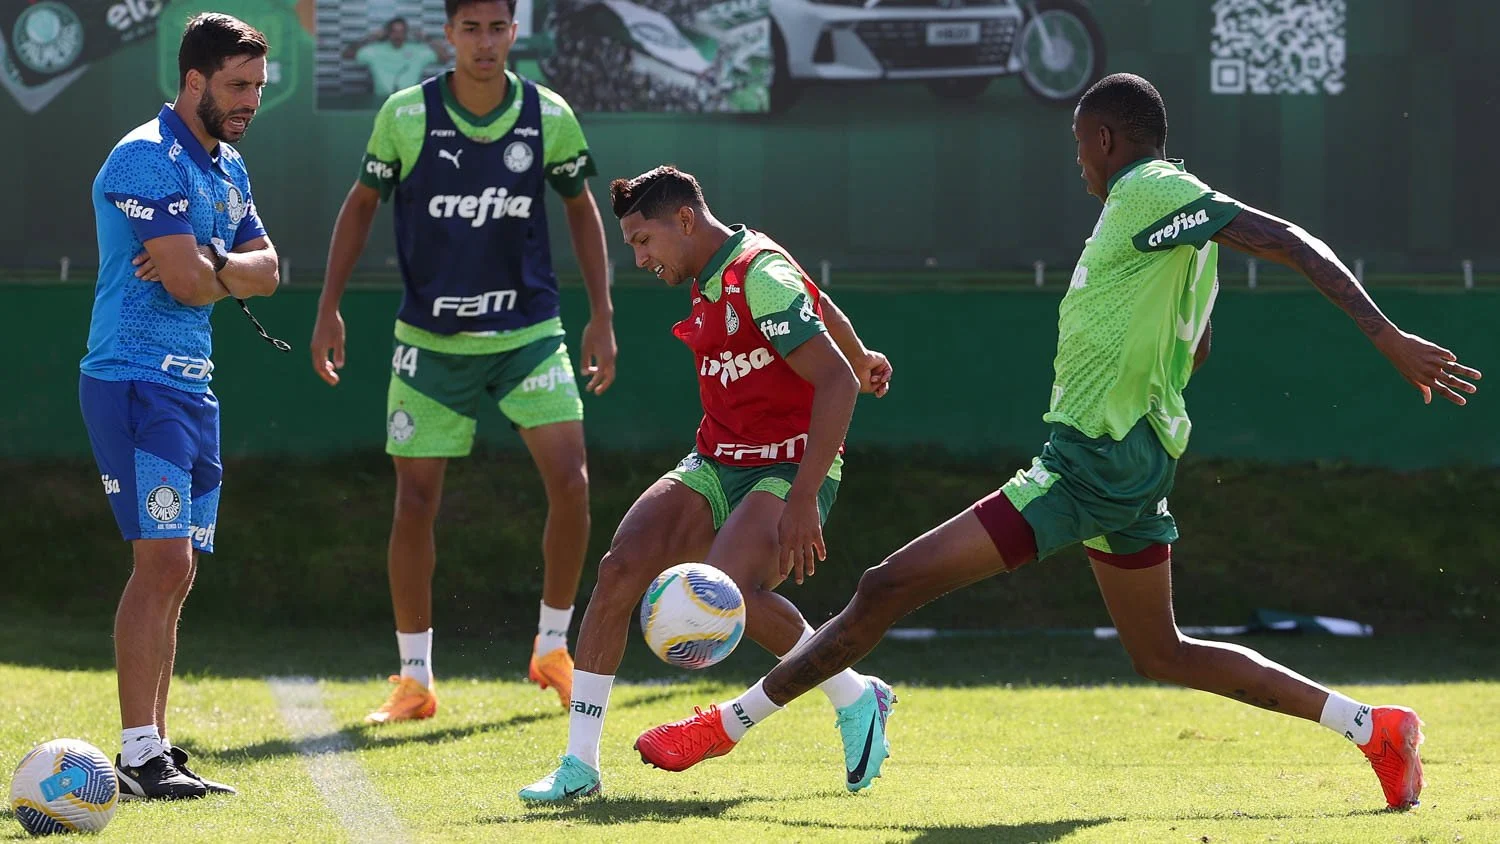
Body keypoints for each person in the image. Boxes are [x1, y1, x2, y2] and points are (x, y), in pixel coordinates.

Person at [638, 73, 1483, 811]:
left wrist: (1386, 336)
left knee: (884, 585)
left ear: (1106, 138)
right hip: (1133, 466)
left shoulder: (1148, 188)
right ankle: (1375, 728)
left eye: (1081, 145)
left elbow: (1288, 239)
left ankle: (724, 726)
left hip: (1087, 464)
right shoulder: (1171, 221)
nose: (1078, 162)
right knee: (1162, 652)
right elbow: (1197, 341)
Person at [518, 165, 895, 803]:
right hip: (717, 457)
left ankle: (856, 697)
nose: (638, 257)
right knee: (620, 568)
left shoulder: (758, 275)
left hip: (788, 462)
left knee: (733, 593)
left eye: (643, 241)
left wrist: (804, 494)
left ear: (685, 220)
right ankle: (579, 766)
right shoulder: (717, 267)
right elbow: (821, 302)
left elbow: (831, 382)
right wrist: (860, 356)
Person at [311, 0, 616, 724]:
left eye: (497, 27)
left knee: (572, 483)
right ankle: (414, 679)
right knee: (415, 504)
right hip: (430, 345)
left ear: (515, 31)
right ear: (447, 34)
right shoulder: (405, 116)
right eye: (471, 28)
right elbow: (360, 206)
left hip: (529, 334)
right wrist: (328, 305)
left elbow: (580, 207)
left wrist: (602, 315)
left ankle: (552, 647)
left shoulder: (549, 115)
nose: (485, 42)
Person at [81, 12, 280, 799]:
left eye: (258, 88)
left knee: (180, 567)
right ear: (193, 80)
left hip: (194, 388)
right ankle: (137, 754)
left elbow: (265, 271)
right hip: (134, 382)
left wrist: (213, 261)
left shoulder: (229, 169)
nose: (250, 102)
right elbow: (194, 284)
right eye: (236, 86)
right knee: (161, 560)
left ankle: (154, 749)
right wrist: (215, 272)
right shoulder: (144, 159)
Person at [343, 17, 450, 97]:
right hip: (382, 101)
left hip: (411, 101)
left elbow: (445, 58)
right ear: (387, 33)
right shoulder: (376, 50)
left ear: (407, 33)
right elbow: (347, 54)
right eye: (394, 31)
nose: (398, 35)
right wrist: (371, 37)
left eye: (402, 31)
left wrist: (427, 38)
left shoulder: (417, 50)